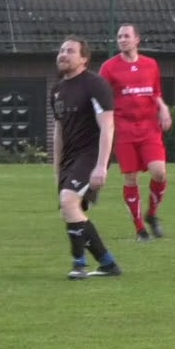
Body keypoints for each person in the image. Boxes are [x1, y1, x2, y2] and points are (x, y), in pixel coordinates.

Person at [52, 37, 123, 279]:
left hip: (91, 155)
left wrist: (102, 166)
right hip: (70, 159)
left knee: (69, 202)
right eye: (61, 50)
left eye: (70, 51)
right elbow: (59, 131)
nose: (63, 54)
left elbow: (108, 127)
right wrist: (57, 169)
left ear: (84, 58)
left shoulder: (95, 85)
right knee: (70, 210)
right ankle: (107, 263)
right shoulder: (58, 89)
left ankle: (79, 264)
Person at [98, 24, 172, 241]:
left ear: (137, 39)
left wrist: (163, 108)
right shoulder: (109, 68)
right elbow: (101, 97)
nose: (122, 40)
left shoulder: (151, 65)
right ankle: (140, 229)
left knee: (159, 172)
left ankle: (152, 214)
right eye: (119, 36)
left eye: (126, 36)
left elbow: (155, 92)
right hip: (124, 129)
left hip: (149, 127)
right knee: (131, 179)